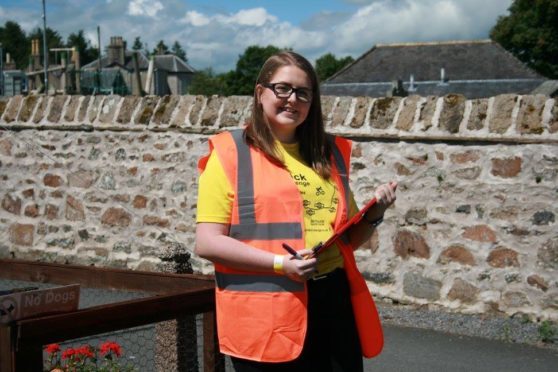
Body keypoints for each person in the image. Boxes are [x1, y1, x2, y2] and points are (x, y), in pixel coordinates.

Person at [195, 51, 397, 372]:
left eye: (303, 93)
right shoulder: (230, 153)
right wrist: (280, 264)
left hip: (332, 300)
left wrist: (375, 213)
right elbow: (207, 243)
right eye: (283, 88)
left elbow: (346, 240)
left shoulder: (329, 155)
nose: (293, 99)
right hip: (266, 308)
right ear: (260, 93)